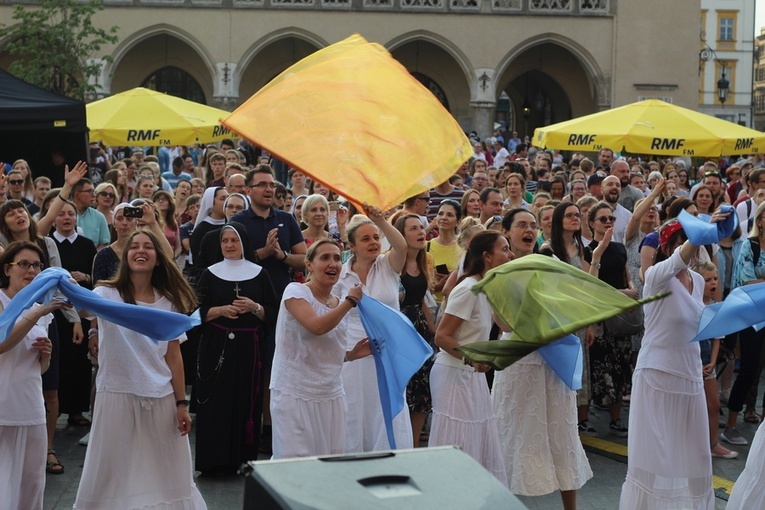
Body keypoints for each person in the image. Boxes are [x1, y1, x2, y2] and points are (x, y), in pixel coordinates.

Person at [74, 229, 206, 509]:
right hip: (116, 393)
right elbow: (85, 310)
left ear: (158, 258)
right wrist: (67, 285)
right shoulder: (106, 293)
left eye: (148, 246)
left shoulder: (169, 301)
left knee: (165, 470)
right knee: (111, 471)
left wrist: (181, 403)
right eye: (134, 246)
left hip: (159, 395)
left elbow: (174, 356)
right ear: (125, 255)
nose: (140, 251)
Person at [619, 216, 728, 509]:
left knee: (694, 453)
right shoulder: (656, 276)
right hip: (657, 374)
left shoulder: (699, 280)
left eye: (689, 240)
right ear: (668, 247)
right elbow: (681, 258)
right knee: (655, 455)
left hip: (689, 374)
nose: (687, 249)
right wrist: (697, 236)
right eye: (680, 242)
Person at [495, 208, 592, 508]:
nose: (528, 230)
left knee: (562, 434)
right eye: (521, 224)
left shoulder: (550, 263)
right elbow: (504, 323)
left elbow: (573, 305)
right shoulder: (501, 269)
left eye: (533, 225)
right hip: (518, 362)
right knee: (512, 433)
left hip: (555, 360)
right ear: (507, 231)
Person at [270, 240, 368, 459]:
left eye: (336, 258)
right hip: (294, 393)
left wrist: (350, 355)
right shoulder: (295, 291)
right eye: (324, 258)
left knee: (328, 464)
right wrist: (351, 300)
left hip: (330, 395)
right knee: (295, 465)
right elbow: (317, 327)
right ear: (309, 264)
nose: (332, 263)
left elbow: (322, 349)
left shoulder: (338, 302)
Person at [195, 222, 278, 474]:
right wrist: (219, 311)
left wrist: (254, 307)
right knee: (216, 403)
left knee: (246, 401)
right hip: (216, 348)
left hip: (248, 348)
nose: (229, 245)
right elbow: (194, 312)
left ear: (243, 243)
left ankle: (242, 458)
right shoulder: (209, 273)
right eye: (224, 241)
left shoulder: (259, 273)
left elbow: (274, 313)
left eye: (234, 240)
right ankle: (214, 462)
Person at [430, 230, 511, 485]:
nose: (510, 254)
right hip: (455, 374)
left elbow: (506, 326)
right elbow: (442, 337)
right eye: (504, 249)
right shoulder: (468, 289)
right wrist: (471, 360)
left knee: (477, 443)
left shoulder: (486, 288)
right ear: (487, 256)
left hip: (471, 375)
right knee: (458, 445)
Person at [336, 205, 411, 452]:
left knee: (385, 407)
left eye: (376, 237)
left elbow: (401, 246)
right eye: (365, 238)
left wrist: (381, 221)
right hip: (353, 352)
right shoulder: (340, 275)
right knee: (356, 407)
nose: (373, 242)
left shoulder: (388, 265)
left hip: (388, 351)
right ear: (352, 246)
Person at [0, 241, 66, 509]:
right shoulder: (14, 304)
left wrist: (45, 354)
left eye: (37, 265)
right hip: (3, 409)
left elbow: (39, 369)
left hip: (30, 409)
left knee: (30, 486)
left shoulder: (42, 311)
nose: (31, 270)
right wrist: (37, 312)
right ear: (7, 269)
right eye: (23, 264)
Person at [394, 214, 436, 446]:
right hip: (400, 329)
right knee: (404, 388)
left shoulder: (421, 261)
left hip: (419, 330)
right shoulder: (391, 264)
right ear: (401, 234)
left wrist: (434, 331)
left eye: (422, 227)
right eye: (414, 228)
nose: (421, 232)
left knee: (421, 391)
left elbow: (420, 300)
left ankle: (412, 445)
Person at [692, 261, 737, 459]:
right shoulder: (692, 307)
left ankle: (713, 443)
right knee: (692, 406)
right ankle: (693, 444)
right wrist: (697, 364)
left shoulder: (715, 308)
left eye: (716, 279)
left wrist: (711, 362)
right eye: (707, 279)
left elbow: (717, 340)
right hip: (692, 362)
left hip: (707, 363)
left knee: (714, 404)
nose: (713, 283)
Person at [428, 199, 461, 304]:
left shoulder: (464, 246)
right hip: (432, 304)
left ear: (458, 222)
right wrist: (439, 285)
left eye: (450, 215)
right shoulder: (426, 246)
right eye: (440, 214)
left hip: (456, 303)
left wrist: (455, 276)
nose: (443, 218)